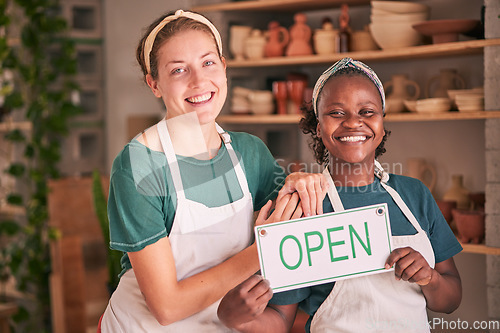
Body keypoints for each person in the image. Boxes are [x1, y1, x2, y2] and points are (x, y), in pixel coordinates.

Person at [99, 9, 327, 332]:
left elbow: (290, 234)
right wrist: (260, 252)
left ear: (224, 67)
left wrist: (299, 184)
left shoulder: (251, 154)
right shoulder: (138, 165)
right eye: (178, 70)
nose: (198, 81)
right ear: (155, 84)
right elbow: (167, 306)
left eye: (208, 63)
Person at [217, 57, 463, 333]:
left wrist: (430, 279)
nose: (353, 123)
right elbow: (281, 321)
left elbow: (451, 299)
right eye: (336, 113)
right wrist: (236, 318)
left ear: (382, 125)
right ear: (319, 127)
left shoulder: (414, 194)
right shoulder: (303, 207)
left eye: (367, 112)